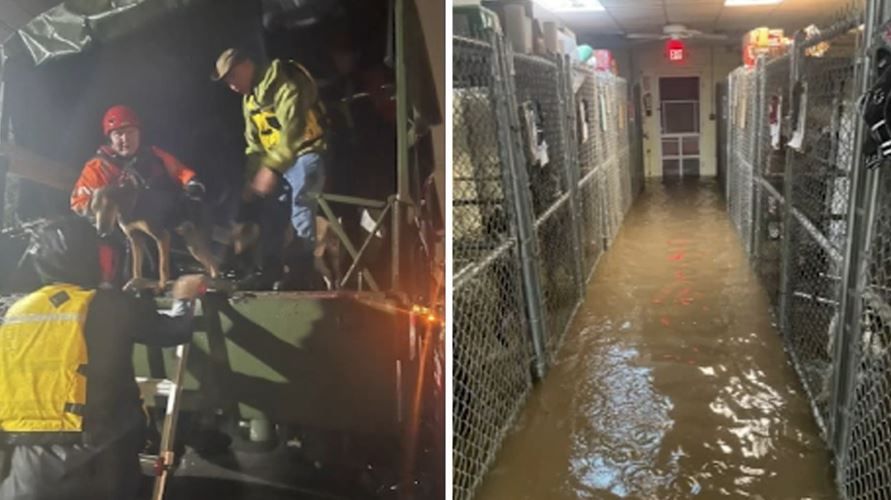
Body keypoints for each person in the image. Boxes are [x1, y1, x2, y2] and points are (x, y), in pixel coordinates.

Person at [0, 216, 206, 500]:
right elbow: (174, 331)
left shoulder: (13, 313)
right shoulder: (106, 305)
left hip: (30, 467)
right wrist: (184, 297)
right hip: (103, 459)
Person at [212, 48, 328, 290]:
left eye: (233, 77)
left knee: (301, 202)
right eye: (227, 82)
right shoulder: (250, 100)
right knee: (269, 212)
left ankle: (302, 271)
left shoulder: (283, 82)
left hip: (306, 153)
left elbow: (293, 131)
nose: (232, 85)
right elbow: (255, 146)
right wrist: (251, 180)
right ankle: (269, 269)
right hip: (279, 164)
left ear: (247, 65)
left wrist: (271, 169)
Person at [70, 105, 206, 284]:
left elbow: (178, 170)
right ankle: (135, 280)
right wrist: (101, 214)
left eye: (130, 133)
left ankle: (200, 269)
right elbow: (79, 201)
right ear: (109, 138)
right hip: (121, 230)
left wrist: (191, 182)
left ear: (139, 134)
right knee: (131, 239)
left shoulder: (152, 155)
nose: (125, 139)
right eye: (118, 134)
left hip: (159, 218)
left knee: (188, 220)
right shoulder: (98, 166)